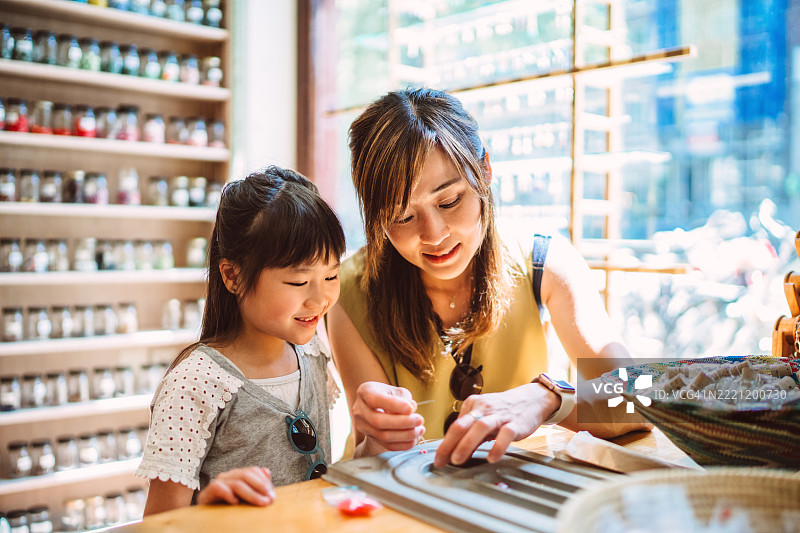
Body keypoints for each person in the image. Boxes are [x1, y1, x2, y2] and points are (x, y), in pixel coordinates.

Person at [327, 87, 649, 469]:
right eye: (402, 217)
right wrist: (376, 442)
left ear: (485, 171)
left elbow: (640, 400)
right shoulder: (347, 289)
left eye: (449, 201)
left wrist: (548, 398)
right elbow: (370, 455)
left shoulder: (545, 263)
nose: (434, 235)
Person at [137, 166, 346, 515]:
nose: (319, 299)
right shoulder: (195, 383)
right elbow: (160, 523)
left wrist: (376, 442)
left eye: (332, 275)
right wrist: (206, 505)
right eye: (298, 282)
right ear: (232, 275)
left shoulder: (312, 353)